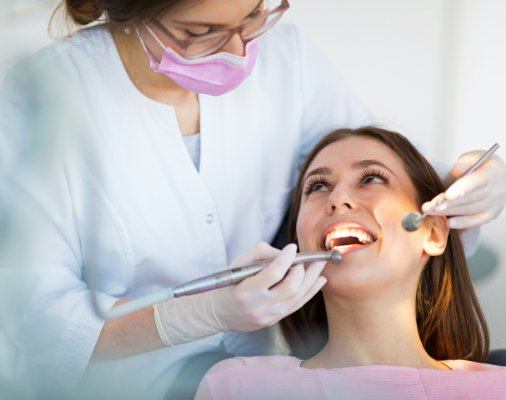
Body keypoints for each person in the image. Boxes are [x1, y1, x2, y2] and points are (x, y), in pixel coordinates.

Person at [0, 0, 505, 398]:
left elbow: (366, 157)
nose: (240, 52)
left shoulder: (289, 63)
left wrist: (459, 183)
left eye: (253, 15)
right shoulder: (38, 101)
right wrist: (198, 314)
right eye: (202, 32)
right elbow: (35, 318)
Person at [195, 127, 506, 400]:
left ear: (434, 232)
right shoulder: (236, 387)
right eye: (318, 186)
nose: (338, 198)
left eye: (371, 178)